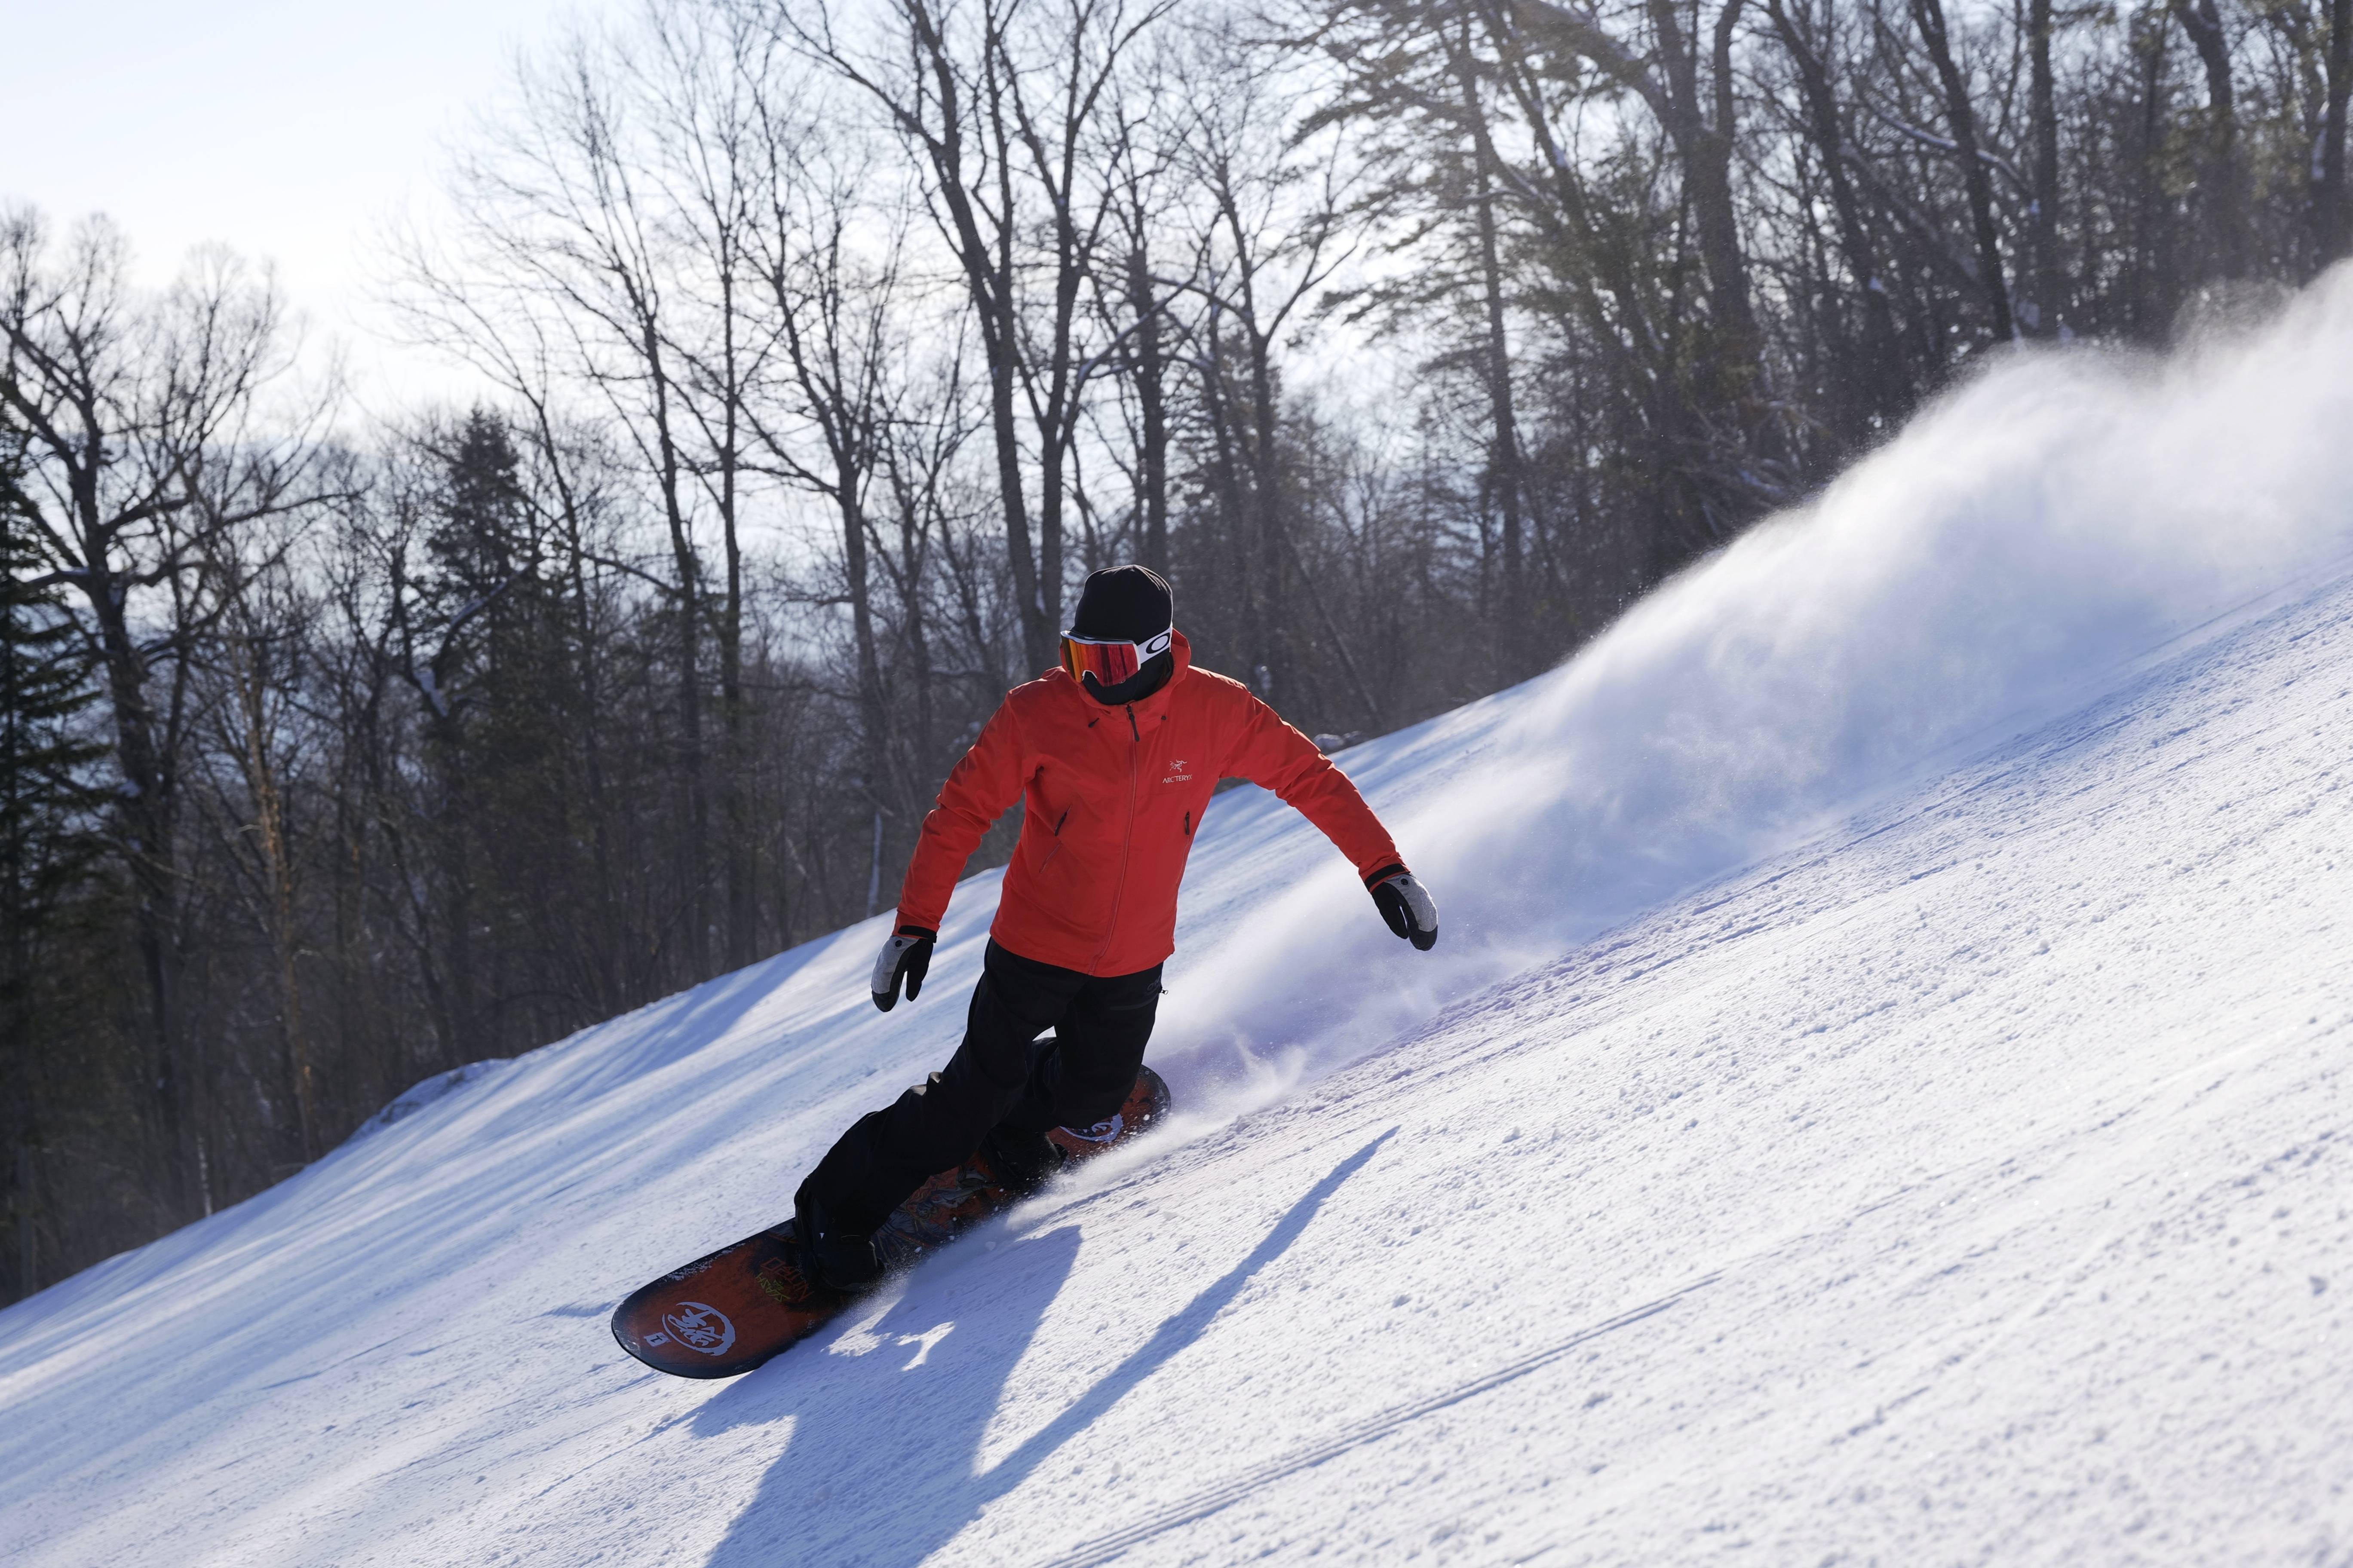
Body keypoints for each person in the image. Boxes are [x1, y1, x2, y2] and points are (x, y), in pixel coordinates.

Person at [791, 564, 1439, 1289]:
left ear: (1157, 649)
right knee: (964, 1100)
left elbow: (1309, 778)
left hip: (1132, 957)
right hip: (1034, 945)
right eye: (1076, 655)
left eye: (1104, 660)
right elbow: (961, 812)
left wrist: (1383, 869)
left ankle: (1012, 1131)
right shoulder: (1039, 712)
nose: (1086, 676)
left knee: (1095, 1100)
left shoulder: (1217, 712)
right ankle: (834, 1214)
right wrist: (915, 925)